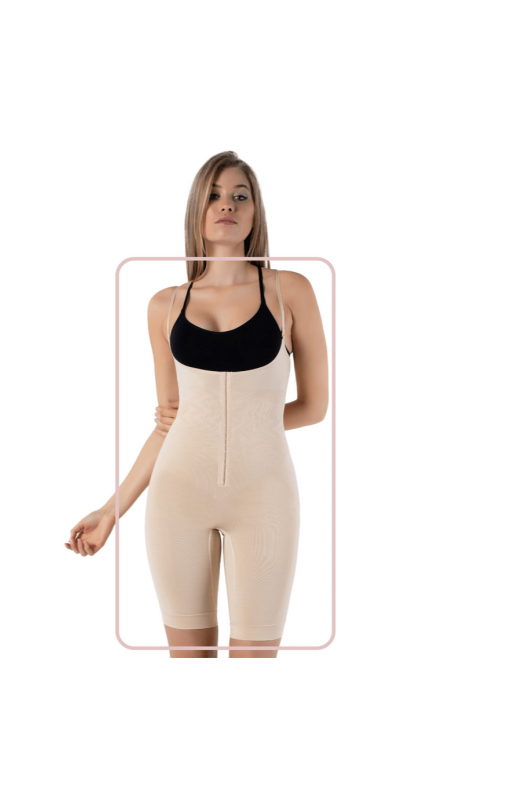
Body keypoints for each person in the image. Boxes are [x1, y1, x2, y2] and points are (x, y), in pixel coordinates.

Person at [66, 151, 329, 658]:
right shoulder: (164, 305)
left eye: (239, 196)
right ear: (197, 212)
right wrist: (109, 511)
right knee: (188, 668)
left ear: (255, 213)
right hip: (177, 497)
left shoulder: (290, 290)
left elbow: (314, 407)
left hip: (265, 497)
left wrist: (248, 422)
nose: (226, 205)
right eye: (213, 195)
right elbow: (169, 423)